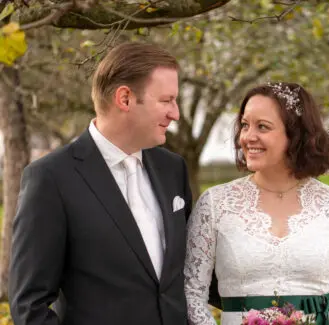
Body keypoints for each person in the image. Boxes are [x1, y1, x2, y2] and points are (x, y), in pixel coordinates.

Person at [8, 42, 219, 325]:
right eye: (167, 100)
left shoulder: (172, 168)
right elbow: (28, 306)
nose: (176, 113)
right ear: (125, 99)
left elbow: (194, 270)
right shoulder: (50, 179)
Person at [184, 82, 329, 325]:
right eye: (245, 125)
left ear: (296, 135)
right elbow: (191, 295)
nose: (247, 137)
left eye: (262, 127)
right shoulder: (214, 204)